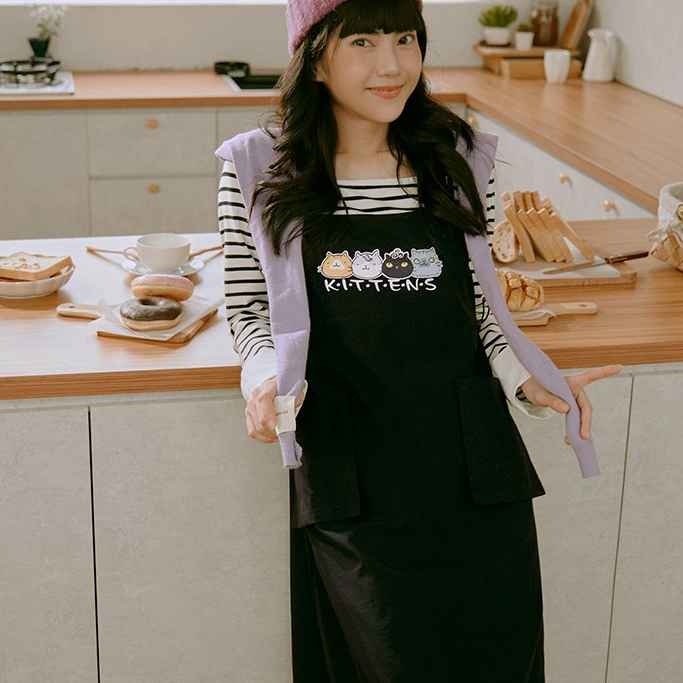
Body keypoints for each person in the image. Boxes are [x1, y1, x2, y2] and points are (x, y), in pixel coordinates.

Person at [215, 0, 621, 680]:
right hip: (351, 462)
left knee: (499, 660)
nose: (392, 64)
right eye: (363, 42)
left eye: (405, 38)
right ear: (313, 58)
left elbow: (481, 307)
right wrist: (262, 380)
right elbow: (250, 308)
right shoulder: (258, 167)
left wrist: (526, 379)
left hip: (471, 462)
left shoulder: (458, 157)